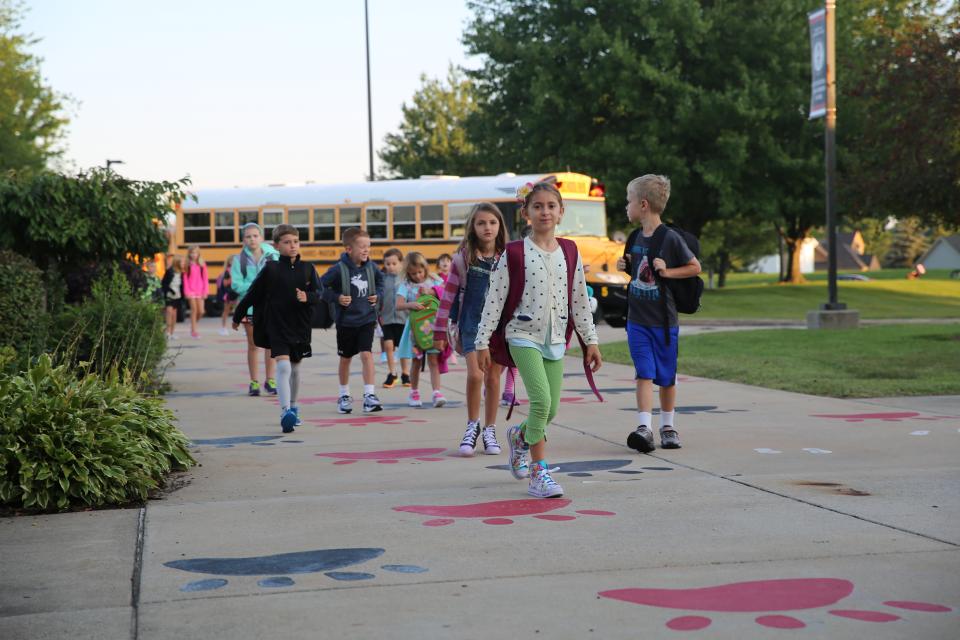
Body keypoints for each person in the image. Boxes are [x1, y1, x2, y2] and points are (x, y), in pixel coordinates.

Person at [476, 182, 601, 498]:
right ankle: (538, 474)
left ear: (561, 211)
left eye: (551, 206)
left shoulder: (570, 250)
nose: (545, 211)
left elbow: (579, 300)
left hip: (556, 338)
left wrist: (591, 340)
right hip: (521, 335)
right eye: (538, 206)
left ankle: (519, 438)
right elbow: (495, 298)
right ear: (526, 213)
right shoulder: (515, 252)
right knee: (541, 402)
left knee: (551, 410)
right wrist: (482, 341)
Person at [616, 174, 701, 452]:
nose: (625, 206)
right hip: (637, 321)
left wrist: (668, 271)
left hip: (664, 322)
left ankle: (668, 426)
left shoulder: (671, 238)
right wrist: (625, 264)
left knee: (666, 377)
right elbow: (636, 269)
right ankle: (644, 427)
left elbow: (694, 267)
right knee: (643, 373)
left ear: (643, 204)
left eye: (628, 201)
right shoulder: (634, 237)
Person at [434, 203, 508, 457]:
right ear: (472, 228)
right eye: (481, 223)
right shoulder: (463, 259)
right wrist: (440, 329)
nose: (487, 227)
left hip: (499, 327)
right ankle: (472, 425)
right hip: (471, 324)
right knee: (476, 375)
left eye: (492, 222)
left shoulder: (508, 257)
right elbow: (449, 296)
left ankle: (490, 429)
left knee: (493, 377)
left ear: (500, 226)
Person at [232, 224, 321, 433]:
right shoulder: (271, 269)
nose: (292, 246)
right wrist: (237, 316)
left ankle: (294, 407)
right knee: (283, 367)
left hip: (299, 326)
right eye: (287, 242)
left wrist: (308, 297)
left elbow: (320, 295)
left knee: (296, 370)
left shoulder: (308, 268)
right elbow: (252, 294)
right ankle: (285, 410)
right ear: (276, 246)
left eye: (296, 242)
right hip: (276, 325)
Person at [320, 227, 384, 414]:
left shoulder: (372, 267)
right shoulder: (338, 269)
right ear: (349, 249)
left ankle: (369, 395)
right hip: (346, 321)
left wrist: (377, 295)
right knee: (346, 358)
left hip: (367, 319)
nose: (366, 250)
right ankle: (344, 394)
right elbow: (320, 286)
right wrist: (336, 297)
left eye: (368, 247)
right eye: (362, 247)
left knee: (367, 354)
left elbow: (381, 283)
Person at [231, 223, 280, 396]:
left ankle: (270, 380)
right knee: (253, 346)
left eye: (255, 236)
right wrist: (257, 287)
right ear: (243, 239)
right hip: (250, 308)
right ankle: (254, 382)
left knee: (271, 345)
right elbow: (236, 284)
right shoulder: (239, 260)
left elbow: (280, 277)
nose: (252, 239)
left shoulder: (273, 256)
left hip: (270, 307)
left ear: (261, 237)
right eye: (248, 236)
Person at [395, 251, 445, 408]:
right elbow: (398, 305)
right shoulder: (405, 285)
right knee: (416, 361)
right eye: (413, 273)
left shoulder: (434, 281)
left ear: (425, 268)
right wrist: (411, 305)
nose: (417, 276)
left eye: (419, 272)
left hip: (432, 327)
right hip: (415, 330)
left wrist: (432, 292)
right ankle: (414, 391)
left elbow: (445, 295)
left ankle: (437, 392)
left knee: (433, 360)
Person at [377, 248, 410, 388]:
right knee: (388, 346)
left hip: (404, 319)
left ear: (401, 263)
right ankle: (392, 373)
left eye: (394, 263)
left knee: (403, 348)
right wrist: (377, 314)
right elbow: (378, 298)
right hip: (387, 319)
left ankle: (405, 374)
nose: (391, 266)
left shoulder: (406, 280)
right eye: (388, 264)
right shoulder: (382, 280)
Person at [182, 245, 209, 339]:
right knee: (194, 310)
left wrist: (205, 291)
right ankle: (194, 331)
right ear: (189, 254)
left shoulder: (202, 265)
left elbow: (205, 279)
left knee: (201, 311)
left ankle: (193, 325)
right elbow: (185, 279)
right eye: (192, 253)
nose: (194, 255)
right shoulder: (187, 265)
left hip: (200, 291)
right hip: (190, 291)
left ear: (198, 254)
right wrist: (187, 292)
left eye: (196, 253)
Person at [161, 255, 184, 339]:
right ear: (177, 263)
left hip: (177, 295)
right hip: (169, 294)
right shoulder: (169, 271)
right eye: (182, 262)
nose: (183, 264)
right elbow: (164, 283)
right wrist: (170, 291)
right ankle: (167, 332)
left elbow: (182, 286)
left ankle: (172, 332)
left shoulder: (181, 273)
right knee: (169, 312)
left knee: (174, 314)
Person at [217, 255, 238, 336]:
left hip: (237, 292)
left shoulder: (239, 270)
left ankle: (244, 327)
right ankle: (223, 328)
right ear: (229, 262)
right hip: (229, 293)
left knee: (241, 311)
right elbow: (225, 283)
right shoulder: (227, 271)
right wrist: (232, 280)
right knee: (226, 311)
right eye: (233, 261)